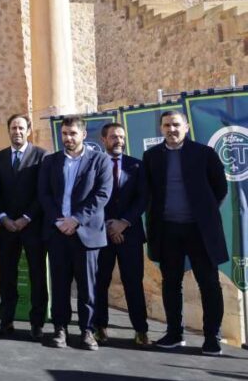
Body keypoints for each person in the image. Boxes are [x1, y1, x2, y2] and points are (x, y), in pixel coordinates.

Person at [143, 110, 228, 356]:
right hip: (168, 230)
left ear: (187, 127)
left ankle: (212, 336)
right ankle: (174, 333)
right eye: (167, 125)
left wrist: (204, 213)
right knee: (171, 284)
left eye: (176, 125)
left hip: (200, 231)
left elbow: (219, 188)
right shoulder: (151, 157)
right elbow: (149, 193)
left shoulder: (204, 154)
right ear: (161, 129)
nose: (172, 129)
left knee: (209, 284)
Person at [38, 116, 112, 350]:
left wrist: (76, 220)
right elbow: (44, 194)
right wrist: (59, 221)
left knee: (88, 287)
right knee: (59, 285)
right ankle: (60, 329)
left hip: (87, 234)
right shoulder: (50, 161)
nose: (68, 138)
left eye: (72, 134)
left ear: (83, 135)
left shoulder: (100, 160)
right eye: (64, 134)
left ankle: (87, 331)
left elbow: (102, 195)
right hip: (58, 232)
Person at [0, 113, 49, 341]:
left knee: (37, 277)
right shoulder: (0, 157)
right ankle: (6, 322)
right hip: (7, 228)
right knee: (7, 278)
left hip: (33, 227)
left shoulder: (42, 156)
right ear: (9, 130)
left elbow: (42, 192)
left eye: (21, 128)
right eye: (13, 127)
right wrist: (3, 217)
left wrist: (26, 217)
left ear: (28, 130)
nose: (17, 131)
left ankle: (37, 324)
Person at [93, 123, 150, 346]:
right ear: (104, 140)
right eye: (114, 137)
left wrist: (123, 223)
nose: (119, 141)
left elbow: (142, 198)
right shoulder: (94, 165)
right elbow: (91, 196)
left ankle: (141, 330)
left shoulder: (137, 165)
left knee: (133, 283)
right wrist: (109, 225)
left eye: (121, 137)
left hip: (130, 234)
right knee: (100, 282)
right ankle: (99, 327)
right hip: (100, 233)